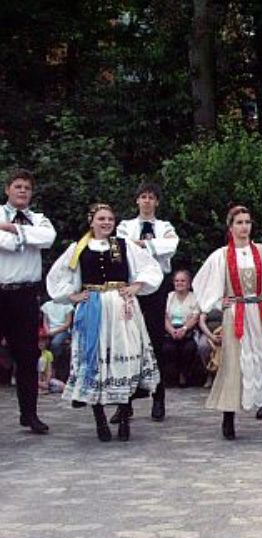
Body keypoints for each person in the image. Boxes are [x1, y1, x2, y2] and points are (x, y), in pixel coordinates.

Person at [46, 203, 162, 441]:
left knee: (125, 358)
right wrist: (73, 295)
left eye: (110, 218)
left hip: (121, 306)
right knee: (95, 361)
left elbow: (150, 267)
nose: (106, 222)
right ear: (92, 221)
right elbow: (57, 276)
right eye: (101, 219)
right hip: (92, 308)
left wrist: (136, 286)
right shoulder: (78, 248)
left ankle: (124, 417)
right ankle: (99, 419)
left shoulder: (124, 244)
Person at [193, 205, 262, 440]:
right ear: (230, 227)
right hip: (236, 314)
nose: (244, 227)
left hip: (261, 314)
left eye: (247, 222)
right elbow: (202, 285)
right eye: (239, 222)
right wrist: (220, 302)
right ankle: (228, 420)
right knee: (233, 364)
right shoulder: (220, 256)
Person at [116, 182, 179, 421]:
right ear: (136, 201)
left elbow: (171, 245)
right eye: (143, 197)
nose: (147, 201)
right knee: (128, 343)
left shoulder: (165, 226)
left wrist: (141, 245)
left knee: (155, 341)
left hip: (157, 287)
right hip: (131, 286)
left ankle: (158, 398)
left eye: (151, 197)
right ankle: (125, 403)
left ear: (157, 202)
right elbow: (120, 249)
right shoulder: (125, 226)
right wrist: (153, 247)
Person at [0, 168, 56, 434]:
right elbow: (4, 243)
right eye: (18, 186)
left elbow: (47, 238)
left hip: (25, 295)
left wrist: (12, 229)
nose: (22, 191)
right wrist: (23, 237)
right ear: (8, 189)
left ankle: (29, 414)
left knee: (28, 356)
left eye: (27, 188)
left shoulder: (39, 219)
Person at [162, 269, 200, 387]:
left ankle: (184, 375)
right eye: (177, 280)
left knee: (189, 348)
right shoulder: (169, 296)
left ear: (189, 283)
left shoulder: (195, 297)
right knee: (168, 348)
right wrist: (172, 330)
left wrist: (184, 329)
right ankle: (171, 377)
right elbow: (165, 317)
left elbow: (195, 317)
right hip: (170, 330)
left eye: (183, 281)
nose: (179, 283)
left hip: (188, 331)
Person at [40, 299, 73, 381]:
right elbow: (45, 322)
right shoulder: (47, 305)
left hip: (62, 331)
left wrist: (55, 332)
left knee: (55, 343)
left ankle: (54, 365)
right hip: (49, 330)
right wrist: (48, 331)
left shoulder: (67, 305)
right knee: (41, 342)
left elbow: (67, 323)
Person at [196, 305, 223, 388]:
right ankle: (210, 374)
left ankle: (223, 377)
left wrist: (222, 333)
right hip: (208, 334)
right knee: (203, 346)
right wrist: (211, 337)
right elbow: (201, 322)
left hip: (224, 332)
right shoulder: (206, 302)